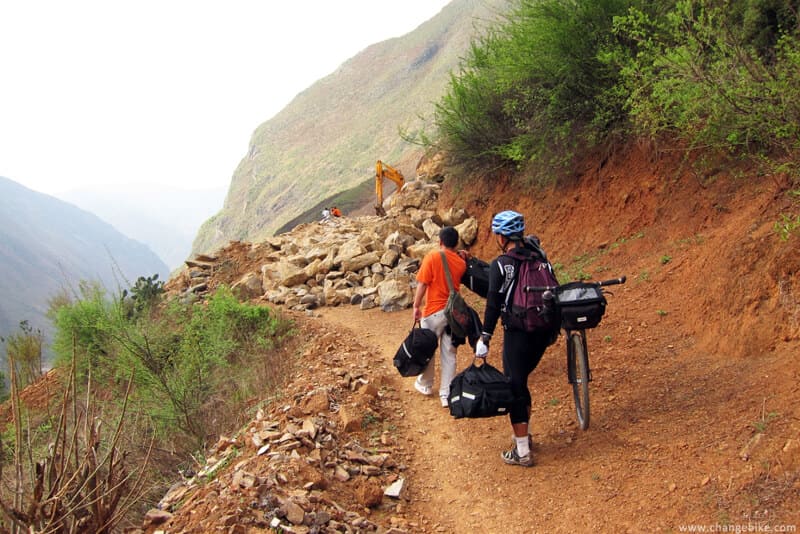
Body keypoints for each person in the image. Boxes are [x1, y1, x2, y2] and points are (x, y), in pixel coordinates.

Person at [474, 210, 557, 467]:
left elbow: (492, 304)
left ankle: (522, 452)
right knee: (522, 381)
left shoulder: (501, 265)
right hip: (543, 332)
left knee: (515, 387)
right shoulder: (542, 259)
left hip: (518, 332)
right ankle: (524, 437)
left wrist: (484, 337)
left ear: (502, 236)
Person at [412, 226, 467, 408]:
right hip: (453, 314)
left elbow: (422, 284)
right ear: (456, 243)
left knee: (428, 349)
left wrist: (416, 305)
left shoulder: (433, 257)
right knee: (449, 353)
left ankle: (426, 385)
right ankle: (447, 393)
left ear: (440, 241)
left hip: (434, 311)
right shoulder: (461, 263)